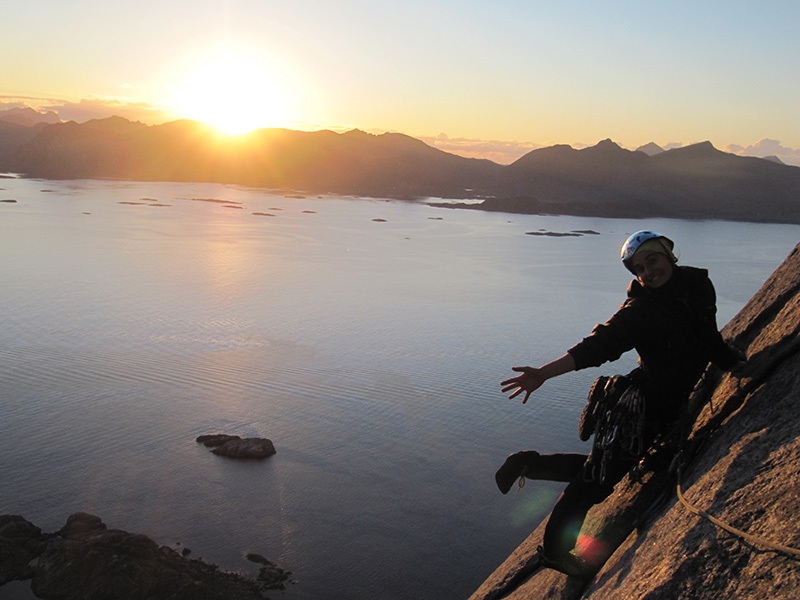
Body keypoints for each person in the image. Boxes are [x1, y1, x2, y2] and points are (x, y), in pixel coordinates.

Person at [496, 230, 741, 577]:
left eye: (651, 261)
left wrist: (731, 361)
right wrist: (544, 374)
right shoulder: (640, 311)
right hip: (642, 410)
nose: (647, 272)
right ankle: (554, 553)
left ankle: (528, 465)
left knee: (604, 468)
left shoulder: (698, 285)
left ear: (668, 254)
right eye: (639, 268)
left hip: (666, 406)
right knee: (595, 482)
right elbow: (599, 345)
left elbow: (707, 332)